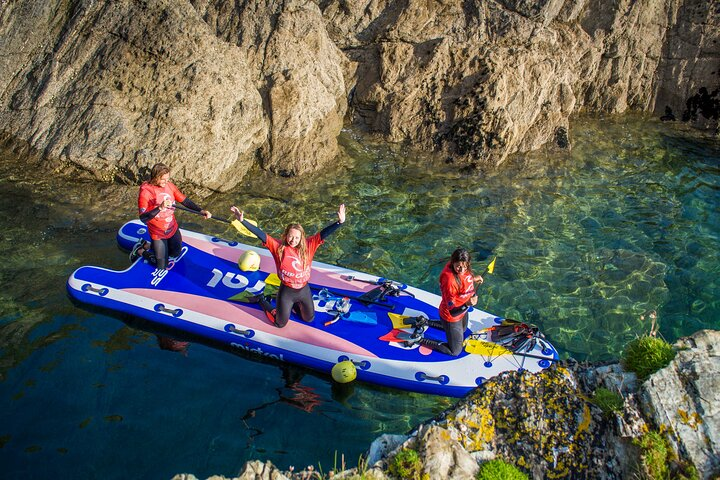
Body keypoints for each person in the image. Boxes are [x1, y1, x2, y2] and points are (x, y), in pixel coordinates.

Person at [230, 204, 346, 328]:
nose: (293, 240)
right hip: (287, 291)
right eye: (291, 236)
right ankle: (261, 300)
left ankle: (293, 305)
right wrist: (242, 221)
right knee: (279, 323)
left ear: (301, 237)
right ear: (286, 235)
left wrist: (339, 222)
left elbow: (323, 234)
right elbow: (261, 234)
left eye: (297, 237)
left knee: (309, 319)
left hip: (303, 290)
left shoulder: (309, 245)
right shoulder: (278, 247)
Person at [131, 163, 212, 269]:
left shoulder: (169, 186)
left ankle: (147, 245)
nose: (166, 182)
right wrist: (159, 208)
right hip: (157, 232)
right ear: (155, 178)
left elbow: (185, 200)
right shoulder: (146, 192)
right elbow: (143, 218)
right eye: (163, 179)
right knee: (162, 266)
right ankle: (140, 251)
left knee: (175, 254)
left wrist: (200, 211)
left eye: (167, 179)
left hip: (172, 228)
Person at [421, 248, 484, 356]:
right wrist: (467, 304)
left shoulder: (462, 267)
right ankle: (420, 340)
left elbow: (464, 276)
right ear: (453, 262)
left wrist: (473, 278)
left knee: (463, 329)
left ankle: (425, 321)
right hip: (452, 315)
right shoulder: (449, 281)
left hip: (463, 310)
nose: (462, 269)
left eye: (465, 266)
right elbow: (453, 312)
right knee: (455, 351)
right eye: (458, 266)